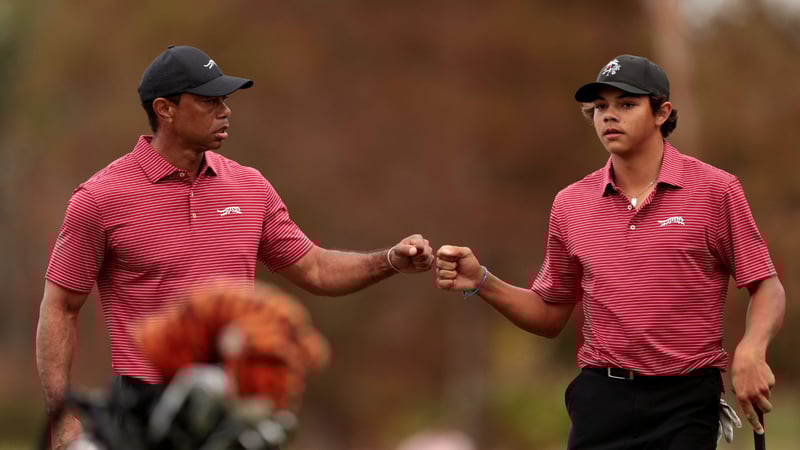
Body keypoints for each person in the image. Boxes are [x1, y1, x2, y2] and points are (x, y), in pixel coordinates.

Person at [36, 45, 434, 450]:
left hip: (236, 408)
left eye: (224, 100)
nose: (225, 111)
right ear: (165, 109)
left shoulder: (250, 186)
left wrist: (390, 261)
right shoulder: (100, 197)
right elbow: (60, 307)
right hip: (144, 409)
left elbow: (315, 269)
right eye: (209, 101)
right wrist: (60, 416)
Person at [435, 54, 785, 449]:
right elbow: (550, 313)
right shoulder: (571, 204)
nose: (609, 116)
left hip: (685, 401)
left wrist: (752, 349)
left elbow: (766, 285)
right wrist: (482, 281)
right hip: (601, 399)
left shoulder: (714, 190)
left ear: (661, 112)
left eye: (626, 104)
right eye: (600, 106)